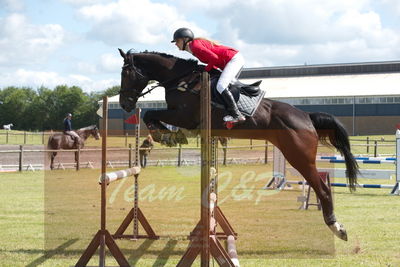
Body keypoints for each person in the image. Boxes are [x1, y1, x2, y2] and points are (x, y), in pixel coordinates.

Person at [171, 27, 246, 123]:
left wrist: (205, 70)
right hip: (230, 61)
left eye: (177, 41)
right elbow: (214, 60)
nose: (176, 44)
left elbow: (214, 58)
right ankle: (230, 112)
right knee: (222, 86)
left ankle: (236, 115)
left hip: (233, 59)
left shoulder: (195, 46)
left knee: (221, 86)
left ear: (185, 39)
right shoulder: (193, 48)